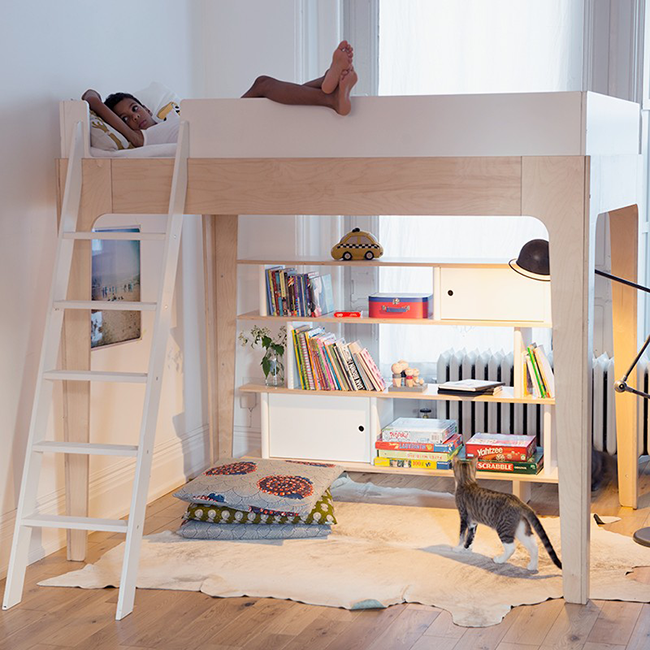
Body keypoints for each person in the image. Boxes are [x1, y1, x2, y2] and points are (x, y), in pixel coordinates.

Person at [82, 41, 358, 149]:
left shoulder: (168, 120)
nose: (133, 118)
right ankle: (329, 96)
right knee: (262, 85)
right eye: (124, 118)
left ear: (146, 107)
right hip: (222, 133)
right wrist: (95, 101)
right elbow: (92, 97)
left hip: (221, 124)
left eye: (134, 109)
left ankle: (327, 83)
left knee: (265, 90)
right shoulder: (144, 139)